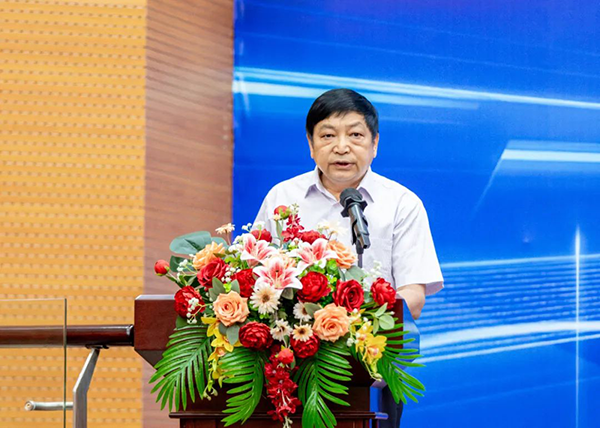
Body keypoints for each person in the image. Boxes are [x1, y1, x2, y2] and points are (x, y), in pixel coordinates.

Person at [253, 88, 443, 427]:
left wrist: (353, 330)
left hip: (371, 371)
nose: (341, 147)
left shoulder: (401, 204)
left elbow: (413, 296)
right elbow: (254, 279)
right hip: (289, 368)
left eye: (355, 135)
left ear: (374, 144)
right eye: (328, 135)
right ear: (311, 144)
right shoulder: (282, 197)